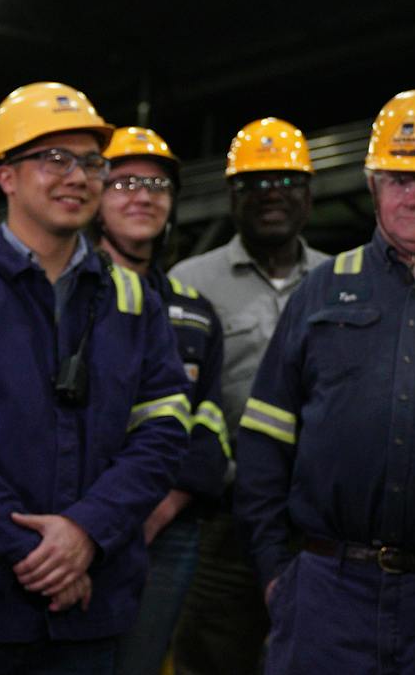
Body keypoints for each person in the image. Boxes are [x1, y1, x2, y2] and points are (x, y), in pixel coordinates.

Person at [235, 89, 415, 673]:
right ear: (372, 187)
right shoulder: (320, 291)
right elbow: (265, 438)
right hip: (327, 595)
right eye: (395, 179)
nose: (410, 196)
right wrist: (274, 572)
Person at [0, 83, 190, 673]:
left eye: (92, 163)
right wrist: (39, 558)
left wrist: (86, 533)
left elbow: (166, 428)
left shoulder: (131, 298)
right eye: (55, 159)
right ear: (6, 175)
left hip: (93, 606)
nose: (78, 177)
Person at [170, 118, 328, 675]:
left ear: (309, 194)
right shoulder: (190, 283)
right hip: (221, 526)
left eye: (286, 180)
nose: (272, 195)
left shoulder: (338, 281)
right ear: (232, 196)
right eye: (255, 184)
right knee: (213, 659)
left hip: (321, 525)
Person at [94, 127, 228, 675]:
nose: (142, 195)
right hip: (76, 531)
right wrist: (100, 523)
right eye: (123, 182)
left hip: (166, 536)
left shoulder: (195, 311)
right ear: (96, 197)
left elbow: (210, 425)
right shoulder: (69, 295)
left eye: (156, 184)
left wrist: (154, 514)